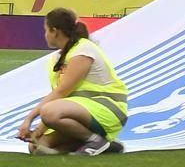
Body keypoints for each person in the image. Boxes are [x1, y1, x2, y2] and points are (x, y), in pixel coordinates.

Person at [15, 8, 126, 156]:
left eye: (46, 30)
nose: (45, 35)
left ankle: (95, 140)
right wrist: (38, 131)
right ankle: (106, 145)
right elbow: (59, 98)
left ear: (54, 31)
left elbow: (61, 92)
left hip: (107, 108)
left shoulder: (83, 50)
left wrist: (29, 118)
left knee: (48, 112)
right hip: (81, 111)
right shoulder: (56, 59)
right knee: (37, 146)